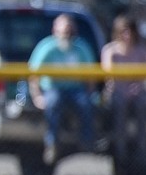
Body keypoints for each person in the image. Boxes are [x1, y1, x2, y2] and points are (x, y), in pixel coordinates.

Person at [28, 13, 97, 163]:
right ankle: (52, 143)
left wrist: (90, 92)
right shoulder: (47, 47)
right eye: (64, 30)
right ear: (55, 30)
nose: (66, 33)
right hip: (53, 89)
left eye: (69, 30)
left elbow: (91, 74)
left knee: (86, 103)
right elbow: (33, 75)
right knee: (53, 101)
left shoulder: (81, 47)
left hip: (76, 89)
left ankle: (86, 141)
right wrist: (37, 96)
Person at [100, 14, 146, 173]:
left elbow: (142, 78)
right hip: (117, 92)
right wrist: (124, 90)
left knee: (142, 103)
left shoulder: (141, 51)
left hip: (136, 92)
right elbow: (109, 77)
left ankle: (142, 150)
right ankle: (120, 153)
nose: (127, 35)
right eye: (123, 31)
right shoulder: (110, 50)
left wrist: (137, 88)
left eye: (130, 31)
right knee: (118, 104)